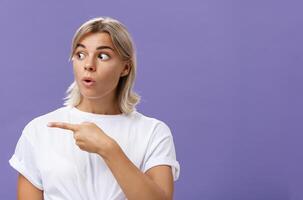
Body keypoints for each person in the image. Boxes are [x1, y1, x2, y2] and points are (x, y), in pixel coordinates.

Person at [9, 16, 180, 200]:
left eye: (103, 56)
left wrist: (108, 149)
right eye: (80, 55)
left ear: (125, 68)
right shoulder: (39, 130)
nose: (88, 65)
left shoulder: (153, 132)